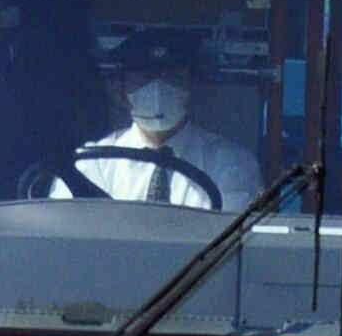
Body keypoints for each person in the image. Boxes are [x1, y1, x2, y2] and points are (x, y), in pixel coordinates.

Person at [70, 42, 263, 211]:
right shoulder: (93, 162)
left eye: (172, 76)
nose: (158, 88)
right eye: (145, 77)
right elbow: (68, 235)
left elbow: (230, 239)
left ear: (192, 87)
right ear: (120, 90)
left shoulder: (231, 163)